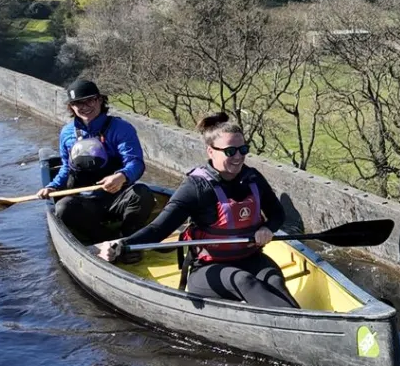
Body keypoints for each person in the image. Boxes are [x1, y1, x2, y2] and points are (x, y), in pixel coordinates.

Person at [98, 112, 298, 309]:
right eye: (230, 151)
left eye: (243, 149)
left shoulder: (253, 178)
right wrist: (122, 243)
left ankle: (300, 325)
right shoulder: (195, 187)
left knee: (274, 280)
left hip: (251, 258)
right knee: (244, 280)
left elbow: (277, 214)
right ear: (211, 151)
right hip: (207, 269)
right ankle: (298, 329)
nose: (238, 157)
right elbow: (159, 229)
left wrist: (268, 228)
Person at [37, 78, 154, 241]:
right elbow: (66, 167)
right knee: (63, 208)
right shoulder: (67, 133)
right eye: (78, 103)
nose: (85, 107)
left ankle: (129, 236)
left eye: (90, 100)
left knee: (142, 194)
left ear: (99, 100)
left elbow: (135, 163)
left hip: (116, 196)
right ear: (71, 107)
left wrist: (122, 176)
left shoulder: (121, 128)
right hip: (84, 200)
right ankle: (107, 238)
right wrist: (53, 186)